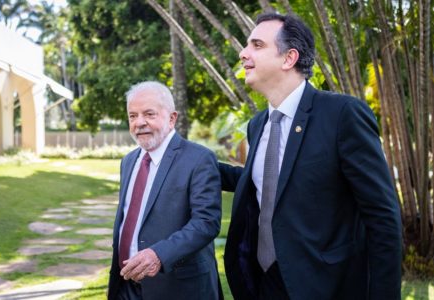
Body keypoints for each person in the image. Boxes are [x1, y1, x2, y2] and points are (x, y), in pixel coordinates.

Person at [219, 13, 402, 300]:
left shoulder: (343, 115)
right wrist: (195, 162)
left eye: (256, 45)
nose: (243, 53)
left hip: (325, 284)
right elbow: (271, 183)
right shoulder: (257, 125)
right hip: (264, 283)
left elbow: (382, 217)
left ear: (289, 58)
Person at [108, 81, 222, 300]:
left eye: (149, 114)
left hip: (177, 289)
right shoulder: (129, 161)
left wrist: (158, 254)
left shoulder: (199, 159)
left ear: (172, 118)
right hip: (126, 286)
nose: (139, 122)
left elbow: (206, 222)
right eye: (132, 116)